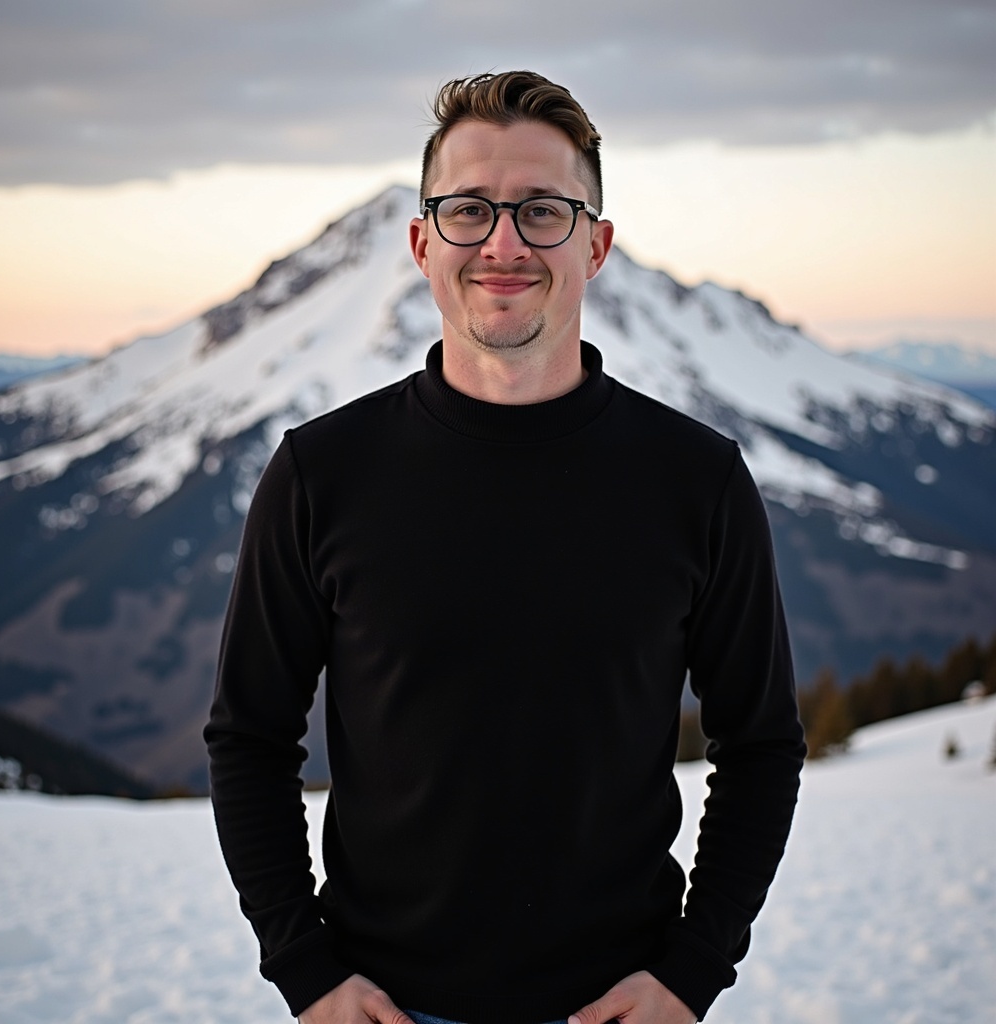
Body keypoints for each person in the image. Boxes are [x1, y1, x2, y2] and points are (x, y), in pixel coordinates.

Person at [205, 70, 805, 1024]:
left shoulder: (696, 480)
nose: (503, 243)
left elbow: (762, 745)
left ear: (596, 245)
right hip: (386, 1007)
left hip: (618, 1006)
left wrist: (694, 972)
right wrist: (304, 970)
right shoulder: (322, 474)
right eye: (469, 209)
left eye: (542, 210)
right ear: (422, 242)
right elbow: (249, 738)